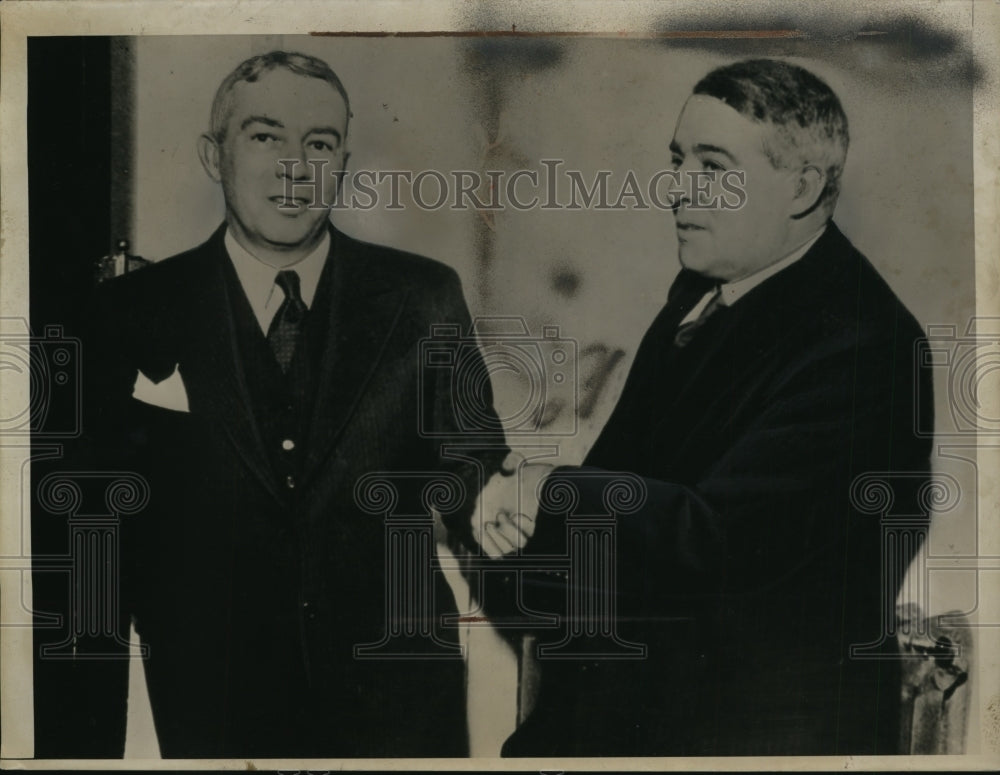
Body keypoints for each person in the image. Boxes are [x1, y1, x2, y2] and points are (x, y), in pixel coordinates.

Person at [47, 50, 505, 758]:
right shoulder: (127, 313)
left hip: (397, 689)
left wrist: (493, 494)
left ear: (343, 160)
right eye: (265, 137)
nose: (295, 168)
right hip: (211, 694)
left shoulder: (422, 296)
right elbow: (93, 524)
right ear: (213, 154)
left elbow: (473, 460)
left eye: (319, 144)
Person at [477, 58, 933, 756]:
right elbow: (629, 483)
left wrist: (545, 491)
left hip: (757, 736)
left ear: (803, 188)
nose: (679, 188)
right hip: (640, 705)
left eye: (714, 166)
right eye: (677, 159)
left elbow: (716, 540)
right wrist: (510, 499)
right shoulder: (705, 289)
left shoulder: (868, 344)